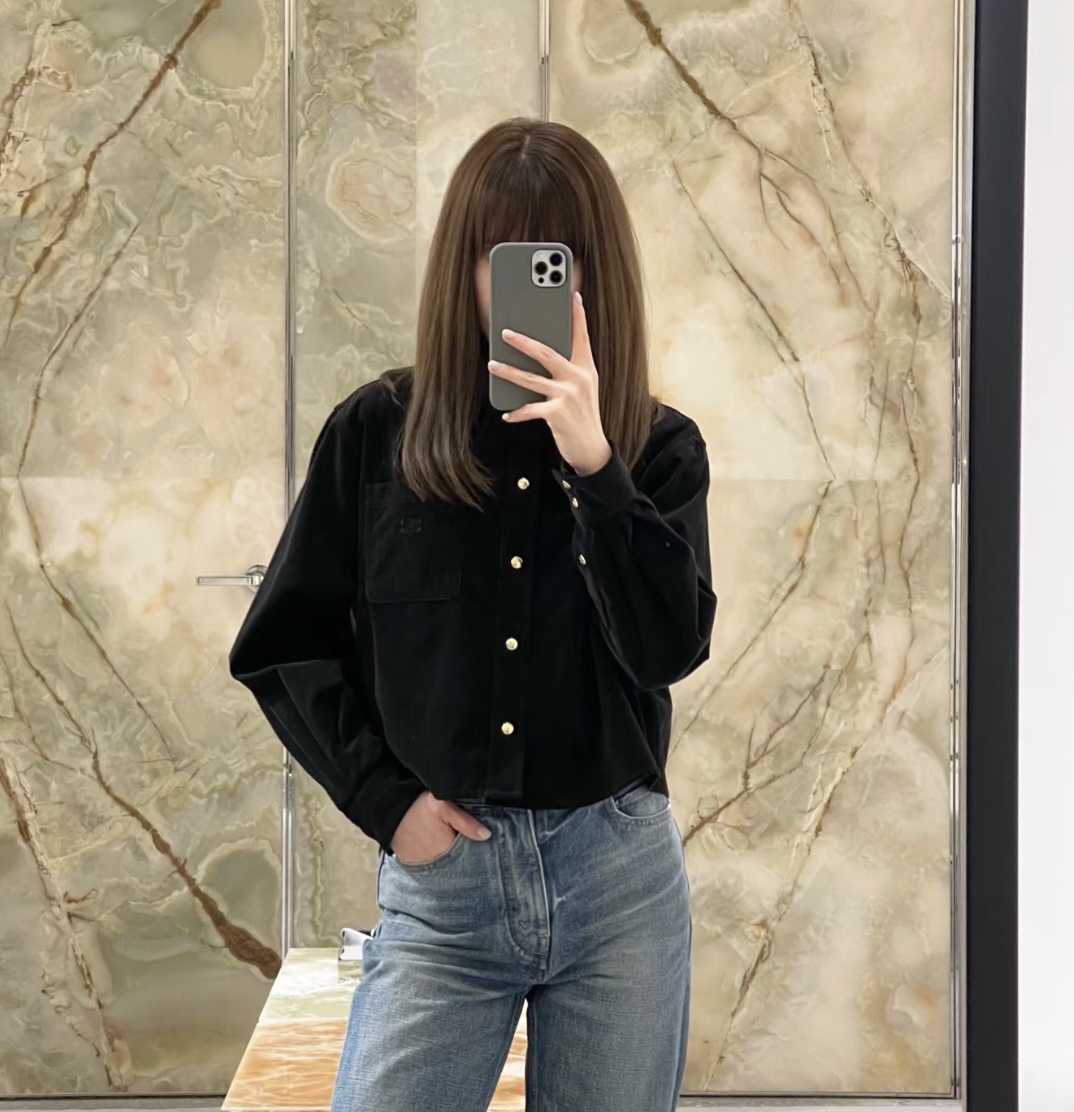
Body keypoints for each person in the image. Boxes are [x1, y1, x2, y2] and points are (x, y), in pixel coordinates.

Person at [229, 117, 717, 1112]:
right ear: (465, 269)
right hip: (444, 892)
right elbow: (284, 646)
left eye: (554, 264)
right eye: (504, 261)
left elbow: (668, 649)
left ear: (596, 280)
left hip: (618, 884)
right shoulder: (378, 434)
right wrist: (387, 804)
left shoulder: (657, 450)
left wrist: (597, 470)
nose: (522, 293)